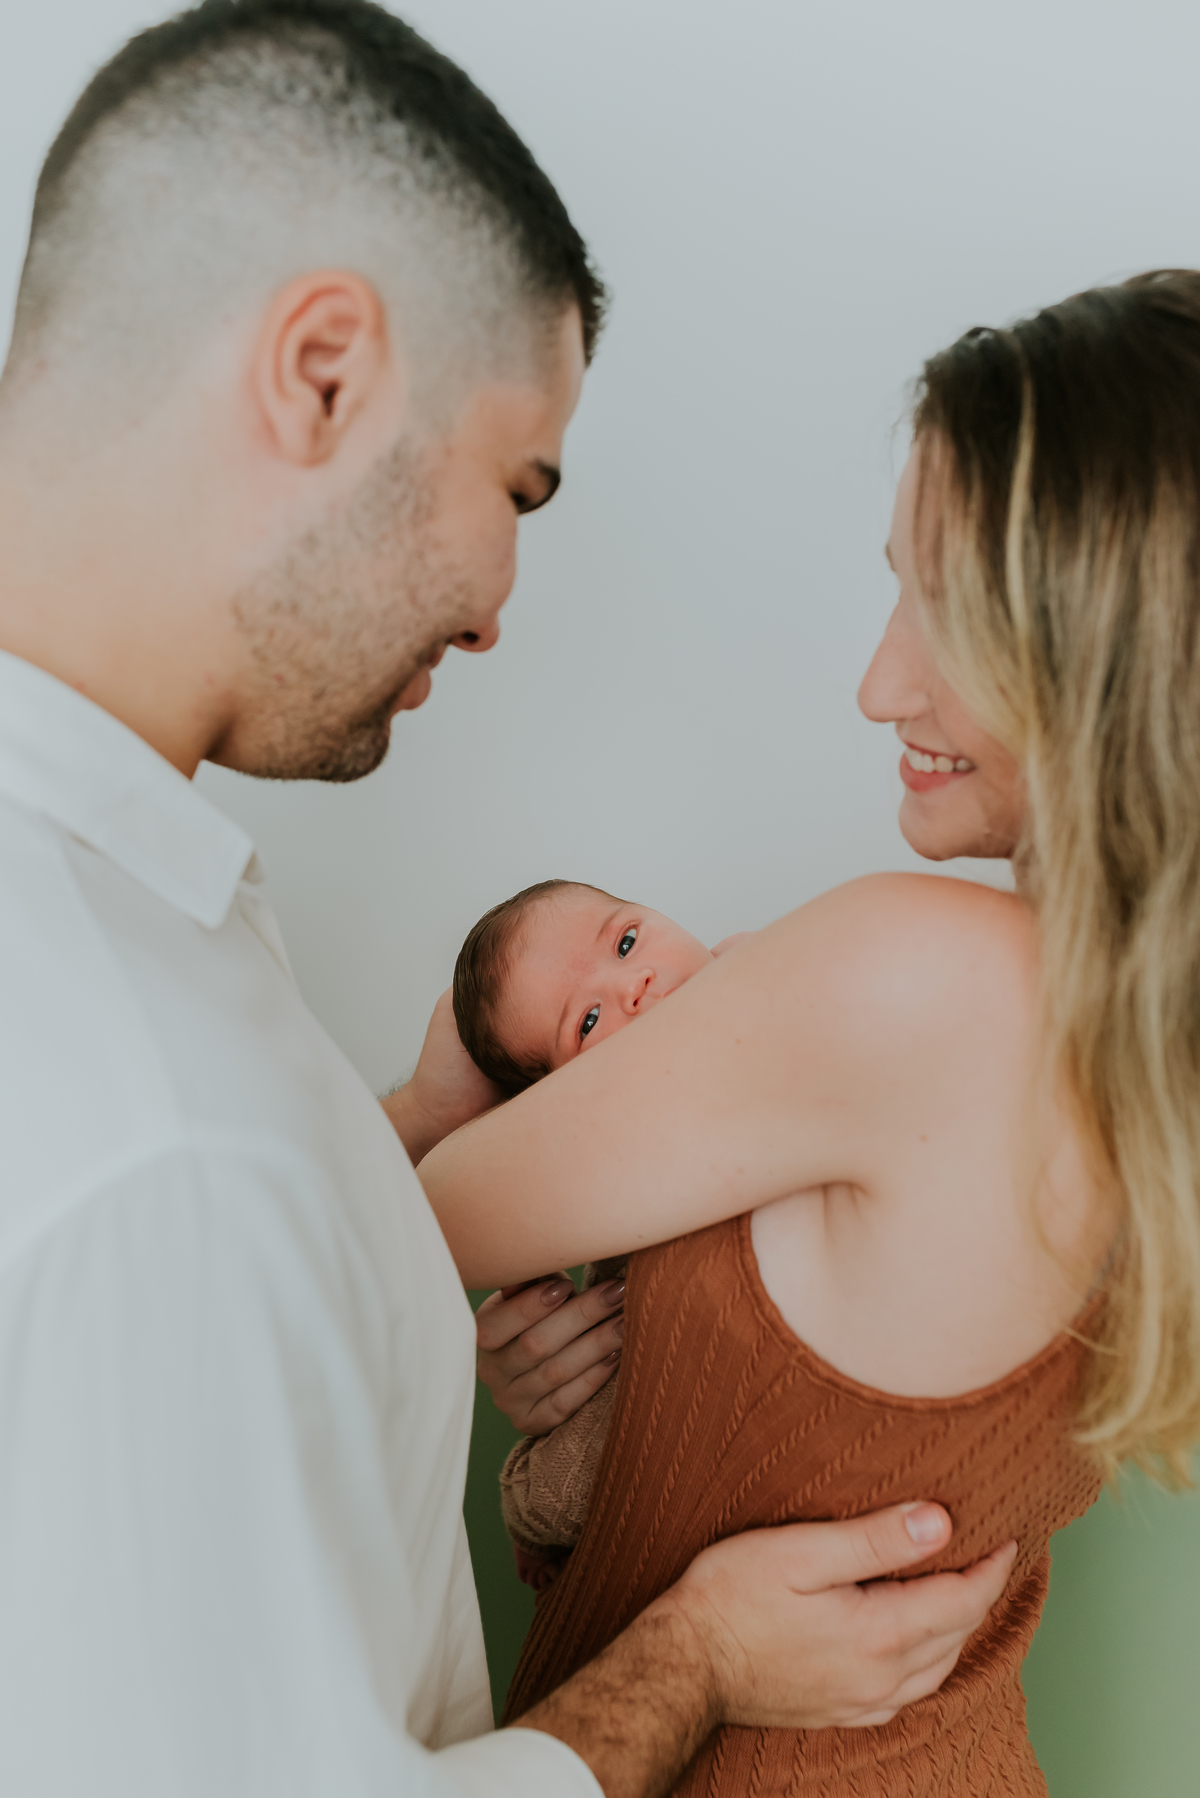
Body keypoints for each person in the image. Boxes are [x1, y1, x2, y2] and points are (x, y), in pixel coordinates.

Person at [0, 3, 1013, 1795]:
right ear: (322, 374)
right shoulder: (157, 1129)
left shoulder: (143, 951)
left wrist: (403, 1159)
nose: (496, 605)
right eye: (514, 487)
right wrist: (698, 1653)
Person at [418, 271, 1200, 1794]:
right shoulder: (1138, 1034)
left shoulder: (921, 980)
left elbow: (399, 1226)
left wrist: (451, 1055)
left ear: (1106, 651)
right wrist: (617, 1387)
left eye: (948, 610)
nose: (878, 682)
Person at [450, 877, 748, 1585]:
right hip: (652, 1363)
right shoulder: (605, 1150)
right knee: (568, 1480)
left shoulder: (760, 971)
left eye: (627, 941)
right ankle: (536, 1522)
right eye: (586, 1022)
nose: (634, 986)